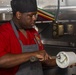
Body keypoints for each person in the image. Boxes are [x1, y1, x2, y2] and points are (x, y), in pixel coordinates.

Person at [0, 0, 56, 75]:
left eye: (35, 15)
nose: (34, 18)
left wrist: (63, 61)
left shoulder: (33, 32)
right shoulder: (4, 32)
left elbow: (43, 60)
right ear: (18, 15)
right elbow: (1, 61)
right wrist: (33, 54)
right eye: (30, 16)